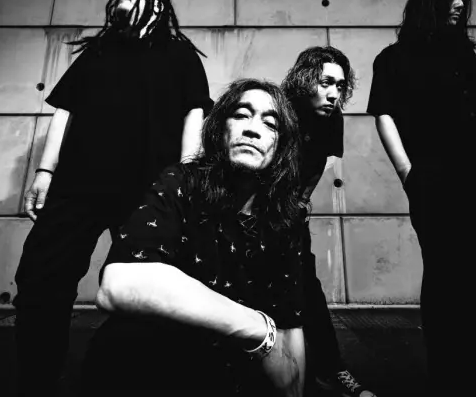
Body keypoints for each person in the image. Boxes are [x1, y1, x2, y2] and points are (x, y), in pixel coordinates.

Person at [13, 0, 213, 396]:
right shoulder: (98, 52)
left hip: (148, 191)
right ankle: (35, 380)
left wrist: (187, 181)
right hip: (76, 186)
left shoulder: (179, 54)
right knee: (40, 281)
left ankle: (129, 379)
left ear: (156, 4)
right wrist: (44, 172)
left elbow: (193, 114)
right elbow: (64, 111)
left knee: (146, 289)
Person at [79, 79, 307, 397]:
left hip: (228, 373)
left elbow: (290, 326)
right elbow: (119, 286)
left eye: (270, 124)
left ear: (281, 147)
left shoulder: (288, 219)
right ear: (220, 129)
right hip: (153, 366)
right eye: (241, 115)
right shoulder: (180, 183)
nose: (253, 129)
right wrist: (258, 328)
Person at [367, 0, 476, 396]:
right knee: (446, 278)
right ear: (429, 1)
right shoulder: (393, 58)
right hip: (436, 184)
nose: (460, 4)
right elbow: (384, 115)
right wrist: (408, 174)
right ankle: (447, 377)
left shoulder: (464, 54)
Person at [281, 46, 376, 397]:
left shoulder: (332, 117)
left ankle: (331, 368)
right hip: (253, 211)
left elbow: (319, 161)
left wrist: (301, 201)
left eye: (339, 85)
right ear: (305, 80)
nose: (334, 93)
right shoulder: (278, 108)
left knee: (308, 288)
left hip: (290, 214)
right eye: (325, 83)